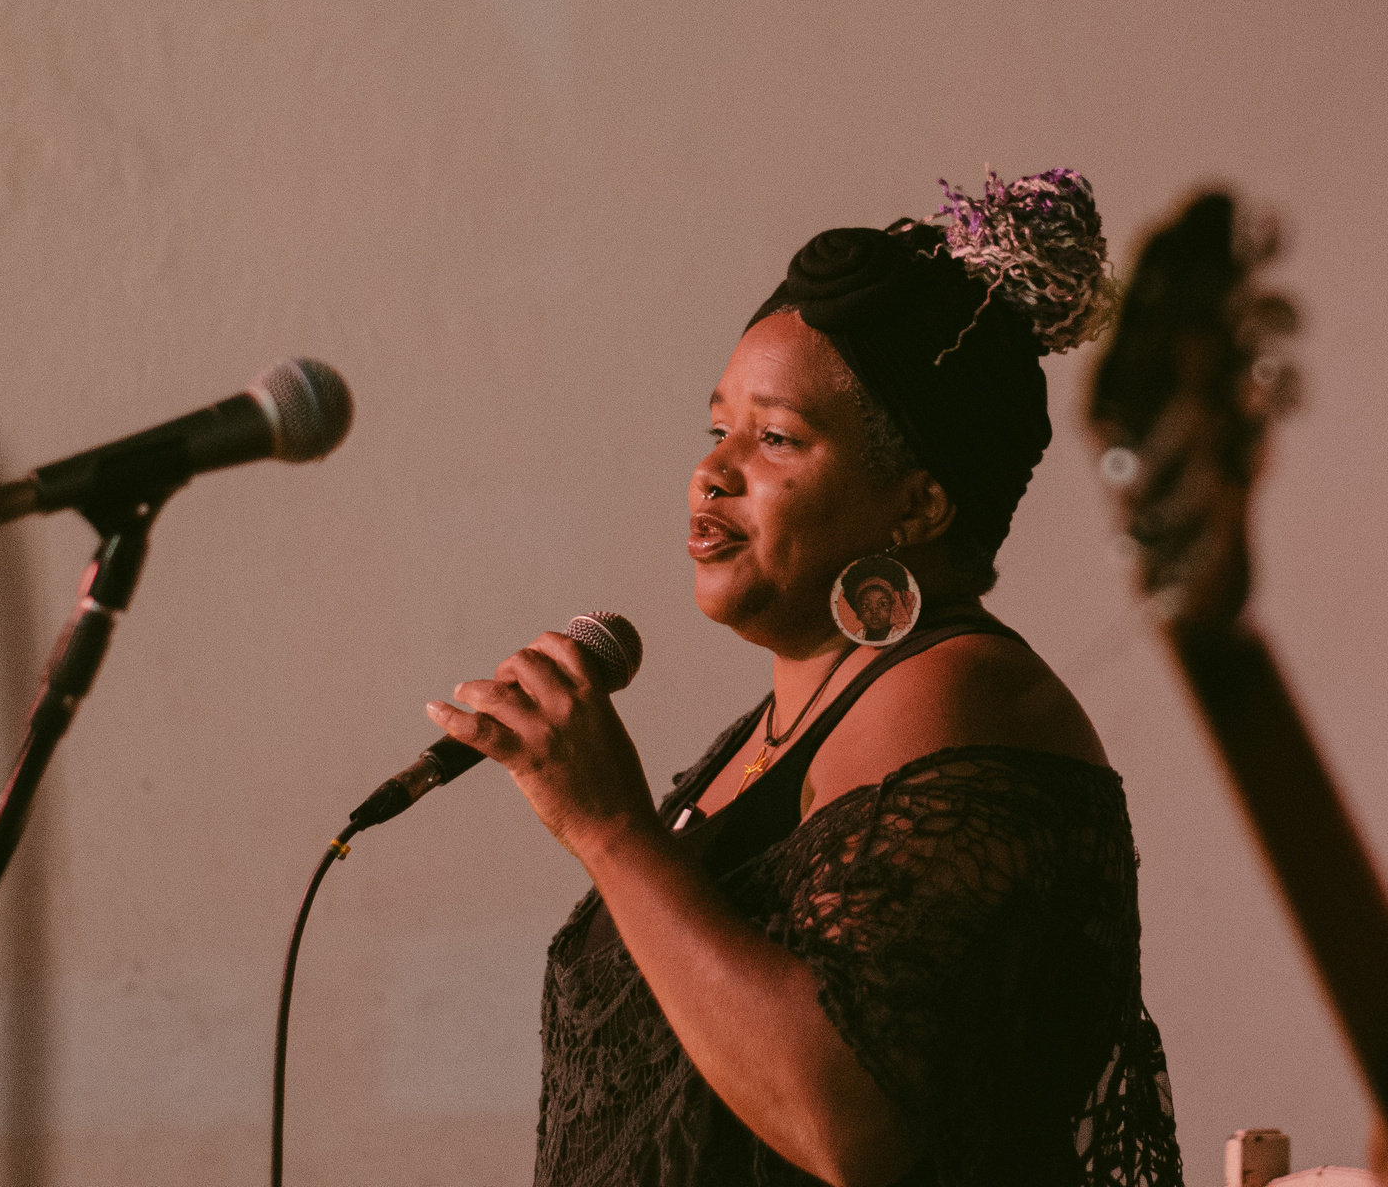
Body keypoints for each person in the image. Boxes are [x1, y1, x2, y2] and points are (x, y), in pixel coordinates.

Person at [429, 168, 1184, 1187]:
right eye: (717, 428)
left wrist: (611, 829)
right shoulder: (777, 727)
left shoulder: (960, 695)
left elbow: (847, 1113)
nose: (715, 469)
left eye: (777, 437)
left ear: (917, 504)